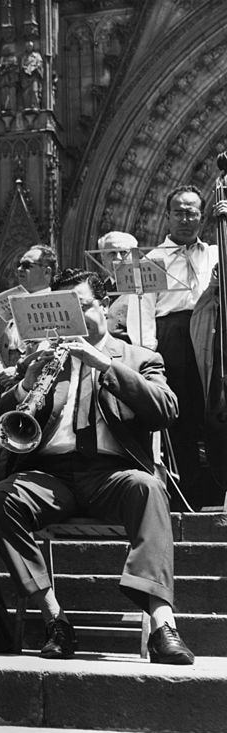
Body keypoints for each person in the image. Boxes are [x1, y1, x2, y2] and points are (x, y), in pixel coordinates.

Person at [0, 268, 194, 664]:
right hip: (51, 474)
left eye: (81, 307)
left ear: (105, 306)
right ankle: (55, 619)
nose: (72, 319)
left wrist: (104, 365)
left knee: (147, 488)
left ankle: (163, 625)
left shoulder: (140, 357)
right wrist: (26, 383)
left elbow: (166, 409)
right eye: (63, 310)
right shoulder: (43, 360)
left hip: (111, 473)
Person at [145, 187, 227, 507]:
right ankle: (187, 495)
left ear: (202, 217)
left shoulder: (216, 252)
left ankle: (218, 488)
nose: (185, 218)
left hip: (212, 333)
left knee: (215, 411)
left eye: (192, 212)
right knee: (182, 417)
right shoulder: (152, 260)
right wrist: (150, 354)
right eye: (178, 211)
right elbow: (144, 310)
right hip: (173, 336)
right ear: (167, 216)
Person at [0, 244, 57, 390]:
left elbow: (50, 347)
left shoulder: (56, 305)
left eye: (27, 265)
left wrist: (18, 372)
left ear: (47, 272)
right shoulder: (6, 301)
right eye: (19, 265)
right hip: (1, 382)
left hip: (35, 383)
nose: (20, 269)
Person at [100, 231, 157, 350]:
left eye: (124, 253)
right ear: (102, 258)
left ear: (135, 256)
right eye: (112, 253)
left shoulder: (147, 288)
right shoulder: (96, 289)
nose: (118, 258)